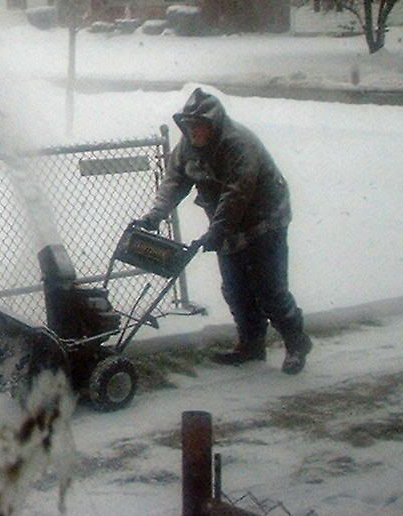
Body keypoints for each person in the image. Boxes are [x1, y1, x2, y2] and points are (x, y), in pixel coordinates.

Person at [133, 87, 312, 374]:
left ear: (213, 125)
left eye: (200, 126)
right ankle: (251, 344)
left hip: (265, 219)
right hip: (227, 221)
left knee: (269, 289)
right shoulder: (188, 148)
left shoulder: (238, 145)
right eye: (189, 127)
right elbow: (174, 181)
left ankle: (296, 341)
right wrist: (155, 215)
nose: (194, 132)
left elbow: (237, 194)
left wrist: (217, 230)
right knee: (235, 288)